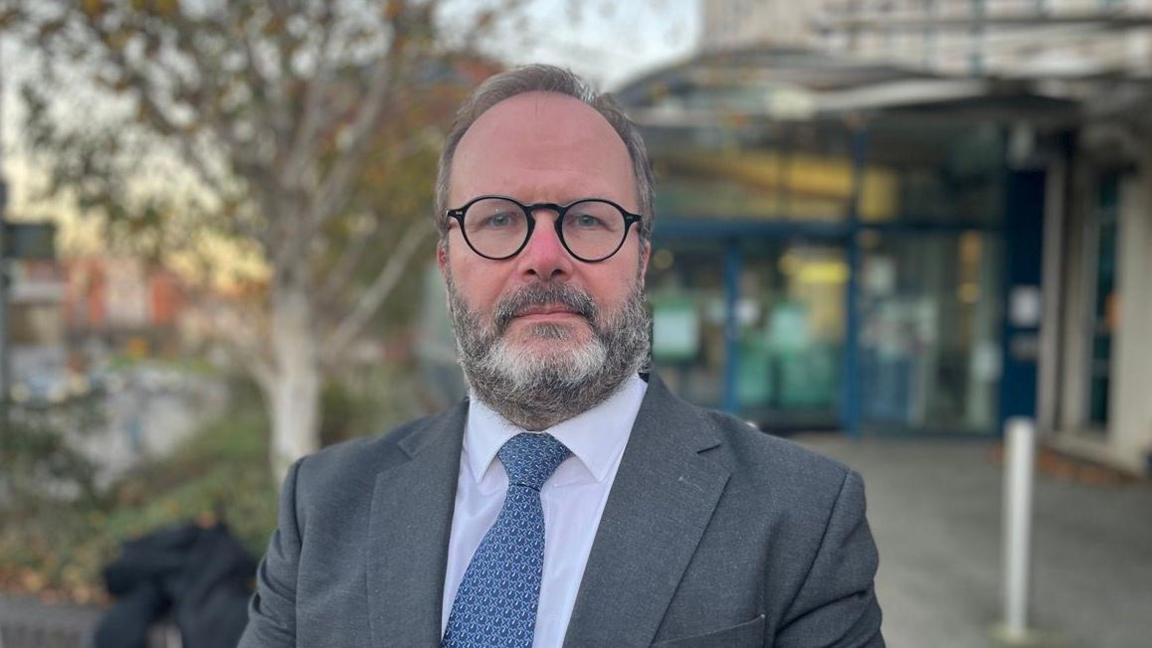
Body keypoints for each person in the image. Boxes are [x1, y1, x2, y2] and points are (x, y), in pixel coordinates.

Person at [239, 64, 884, 648]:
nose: (544, 256)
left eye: (586, 219)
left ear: (641, 259)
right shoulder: (322, 507)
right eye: (497, 220)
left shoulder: (802, 518)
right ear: (445, 264)